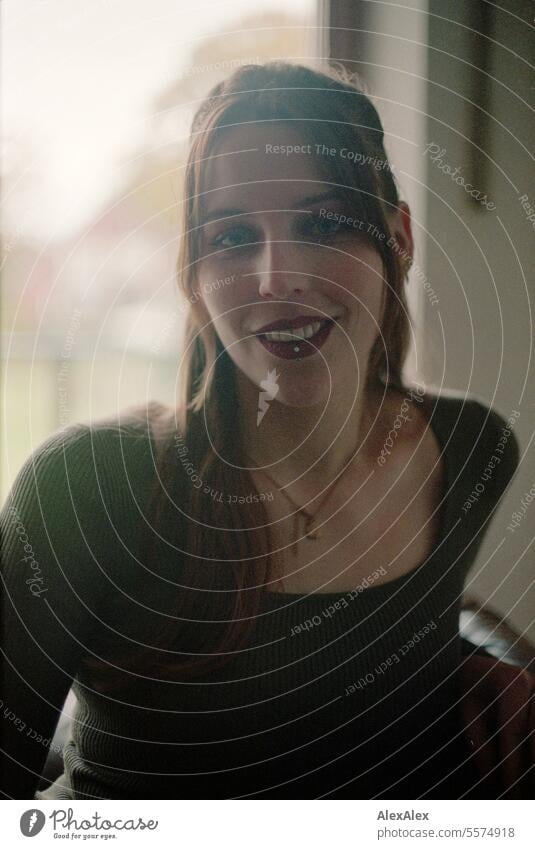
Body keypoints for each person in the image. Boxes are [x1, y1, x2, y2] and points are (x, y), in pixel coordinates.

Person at [1, 61, 528, 801]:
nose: (275, 276)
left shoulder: (473, 449)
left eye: (321, 224)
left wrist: (468, 655)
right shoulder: (85, 490)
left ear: (398, 238)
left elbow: (386, 632)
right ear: (194, 273)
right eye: (233, 235)